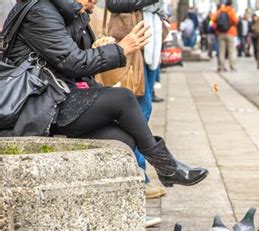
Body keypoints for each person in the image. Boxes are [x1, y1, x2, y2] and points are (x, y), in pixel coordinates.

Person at [3, 0, 208, 188]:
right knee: (124, 98)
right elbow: (75, 62)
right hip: (38, 105)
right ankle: (168, 168)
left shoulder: (71, 13)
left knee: (122, 140)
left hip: (58, 96)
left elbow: (76, 66)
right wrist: (121, 49)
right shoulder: (40, 12)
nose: (96, 1)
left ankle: (123, 210)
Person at [106, 0, 170, 198]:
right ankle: (137, 176)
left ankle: (139, 174)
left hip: (146, 47)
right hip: (133, 49)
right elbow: (113, 3)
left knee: (144, 110)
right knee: (137, 113)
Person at [212, 1, 239, 72]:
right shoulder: (231, 11)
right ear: (231, 4)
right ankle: (232, 67)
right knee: (231, 50)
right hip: (230, 33)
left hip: (220, 33)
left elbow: (213, 19)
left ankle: (221, 67)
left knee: (221, 51)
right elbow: (235, 21)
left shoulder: (220, 10)